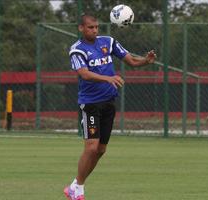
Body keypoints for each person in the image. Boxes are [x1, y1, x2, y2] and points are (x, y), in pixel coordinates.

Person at [64, 14, 156, 200]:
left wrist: (146, 60)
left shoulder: (108, 42)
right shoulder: (77, 50)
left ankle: (75, 185)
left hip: (108, 102)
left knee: (101, 150)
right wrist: (108, 78)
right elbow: (84, 74)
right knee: (91, 147)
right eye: (90, 27)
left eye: (97, 27)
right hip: (90, 104)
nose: (95, 30)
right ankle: (78, 189)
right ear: (81, 28)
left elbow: (130, 60)